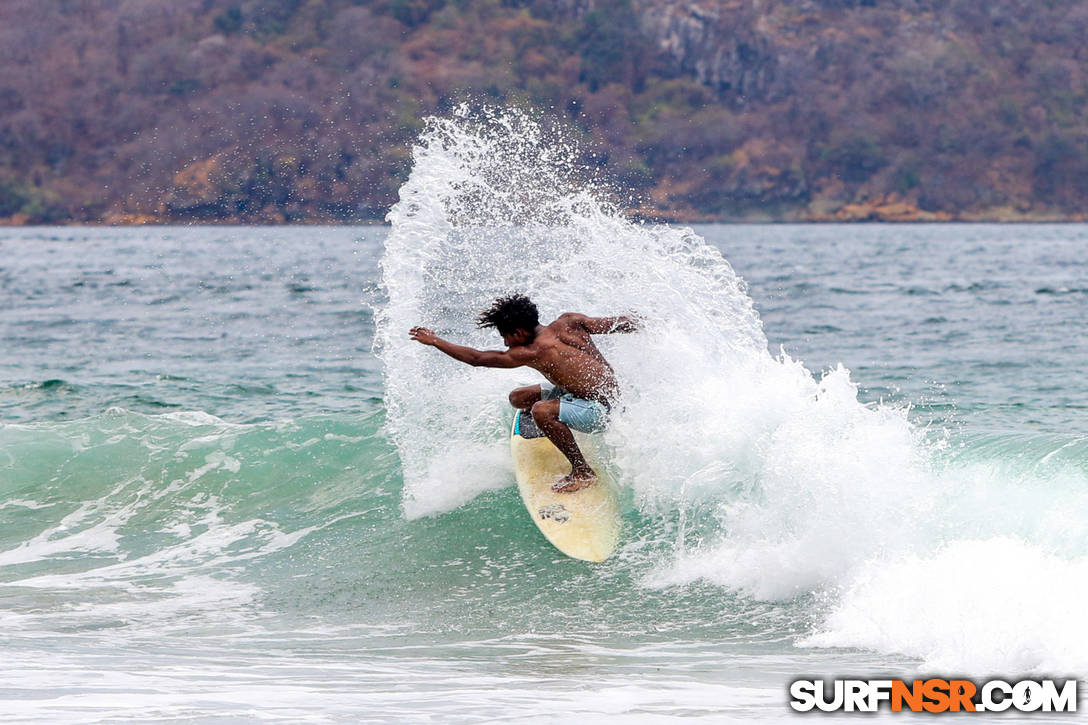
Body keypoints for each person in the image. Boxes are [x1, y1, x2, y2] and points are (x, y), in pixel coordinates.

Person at [409, 294, 639, 492]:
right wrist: (646, 321)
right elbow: (617, 324)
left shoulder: (532, 351)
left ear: (519, 332)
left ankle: (582, 471)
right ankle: (557, 420)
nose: (506, 343)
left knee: (541, 411)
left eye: (506, 337)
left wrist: (435, 341)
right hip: (609, 393)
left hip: (602, 411)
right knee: (519, 398)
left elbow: (477, 359)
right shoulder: (570, 321)